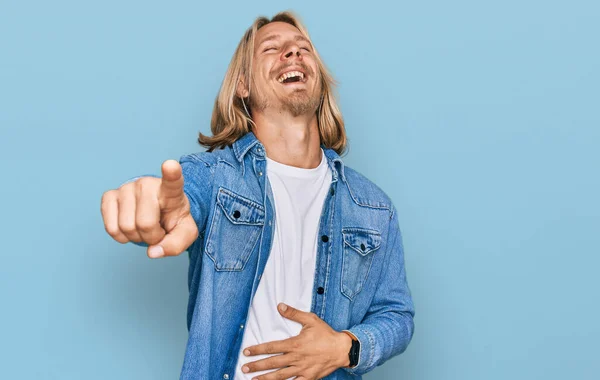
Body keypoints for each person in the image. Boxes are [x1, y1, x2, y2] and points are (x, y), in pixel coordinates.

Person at [100, 11, 414, 380]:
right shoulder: (215, 178)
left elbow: (397, 315)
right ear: (244, 85)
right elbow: (179, 200)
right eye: (273, 48)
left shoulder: (373, 207)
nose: (292, 54)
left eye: (302, 49)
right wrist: (153, 207)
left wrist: (345, 346)